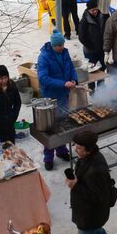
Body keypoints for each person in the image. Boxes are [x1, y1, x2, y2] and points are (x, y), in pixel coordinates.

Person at [36, 31, 77, 170]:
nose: (61, 47)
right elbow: (43, 79)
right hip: (50, 97)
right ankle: (48, 156)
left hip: (63, 95)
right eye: (58, 45)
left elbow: (71, 67)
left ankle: (62, 150)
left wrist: (74, 79)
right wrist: (63, 83)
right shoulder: (44, 57)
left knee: (63, 123)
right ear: (53, 45)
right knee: (51, 128)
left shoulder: (65, 53)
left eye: (62, 44)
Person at [77, 0, 107, 70]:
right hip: (90, 51)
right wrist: (92, 46)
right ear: (88, 10)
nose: (95, 12)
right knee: (92, 72)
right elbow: (81, 37)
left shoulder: (102, 17)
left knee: (102, 71)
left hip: (101, 49)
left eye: (96, 9)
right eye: (92, 10)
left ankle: (101, 82)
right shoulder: (84, 21)